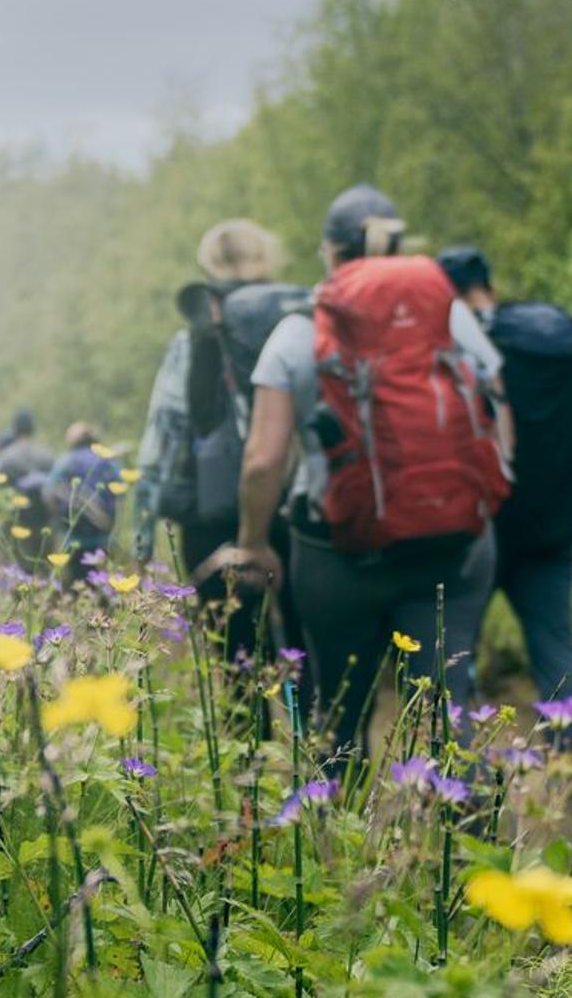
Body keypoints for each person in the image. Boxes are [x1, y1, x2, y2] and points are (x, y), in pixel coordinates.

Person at [207, 184, 513, 756]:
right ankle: (471, 832)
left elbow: (263, 458)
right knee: (448, 706)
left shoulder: (301, 328)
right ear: (399, 244)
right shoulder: (453, 317)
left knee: (340, 713)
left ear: (329, 252)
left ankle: (340, 832)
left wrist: (254, 543)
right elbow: (496, 412)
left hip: (335, 554)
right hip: (453, 548)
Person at [441, 246, 572, 712]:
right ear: (489, 288)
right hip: (550, 529)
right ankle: (568, 775)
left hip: (480, 528)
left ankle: (462, 775)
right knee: (557, 654)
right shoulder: (552, 341)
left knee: (456, 654)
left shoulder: (457, 341)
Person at [131, 219, 304, 663]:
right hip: (300, 509)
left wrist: (143, 541)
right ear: (268, 259)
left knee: (239, 662)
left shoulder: (193, 338)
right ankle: (318, 730)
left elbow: (163, 435)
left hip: (213, 515)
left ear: (208, 265)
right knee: (309, 659)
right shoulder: (303, 320)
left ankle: (251, 732)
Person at [45, 419, 127, 569]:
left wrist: (59, 521)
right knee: (104, 581)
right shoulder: (107, 460)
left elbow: (49, 493)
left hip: (75, 539)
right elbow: (121, 491)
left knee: (78, 584)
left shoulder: (65, 461)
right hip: (105, 537)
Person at [0, 405, 54, 559]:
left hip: (14, 524)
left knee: (14, 567)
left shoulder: (5, 457)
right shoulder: (47, 456)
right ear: (32, 428)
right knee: (42, 568)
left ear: (14, 429)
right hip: (43, 523)